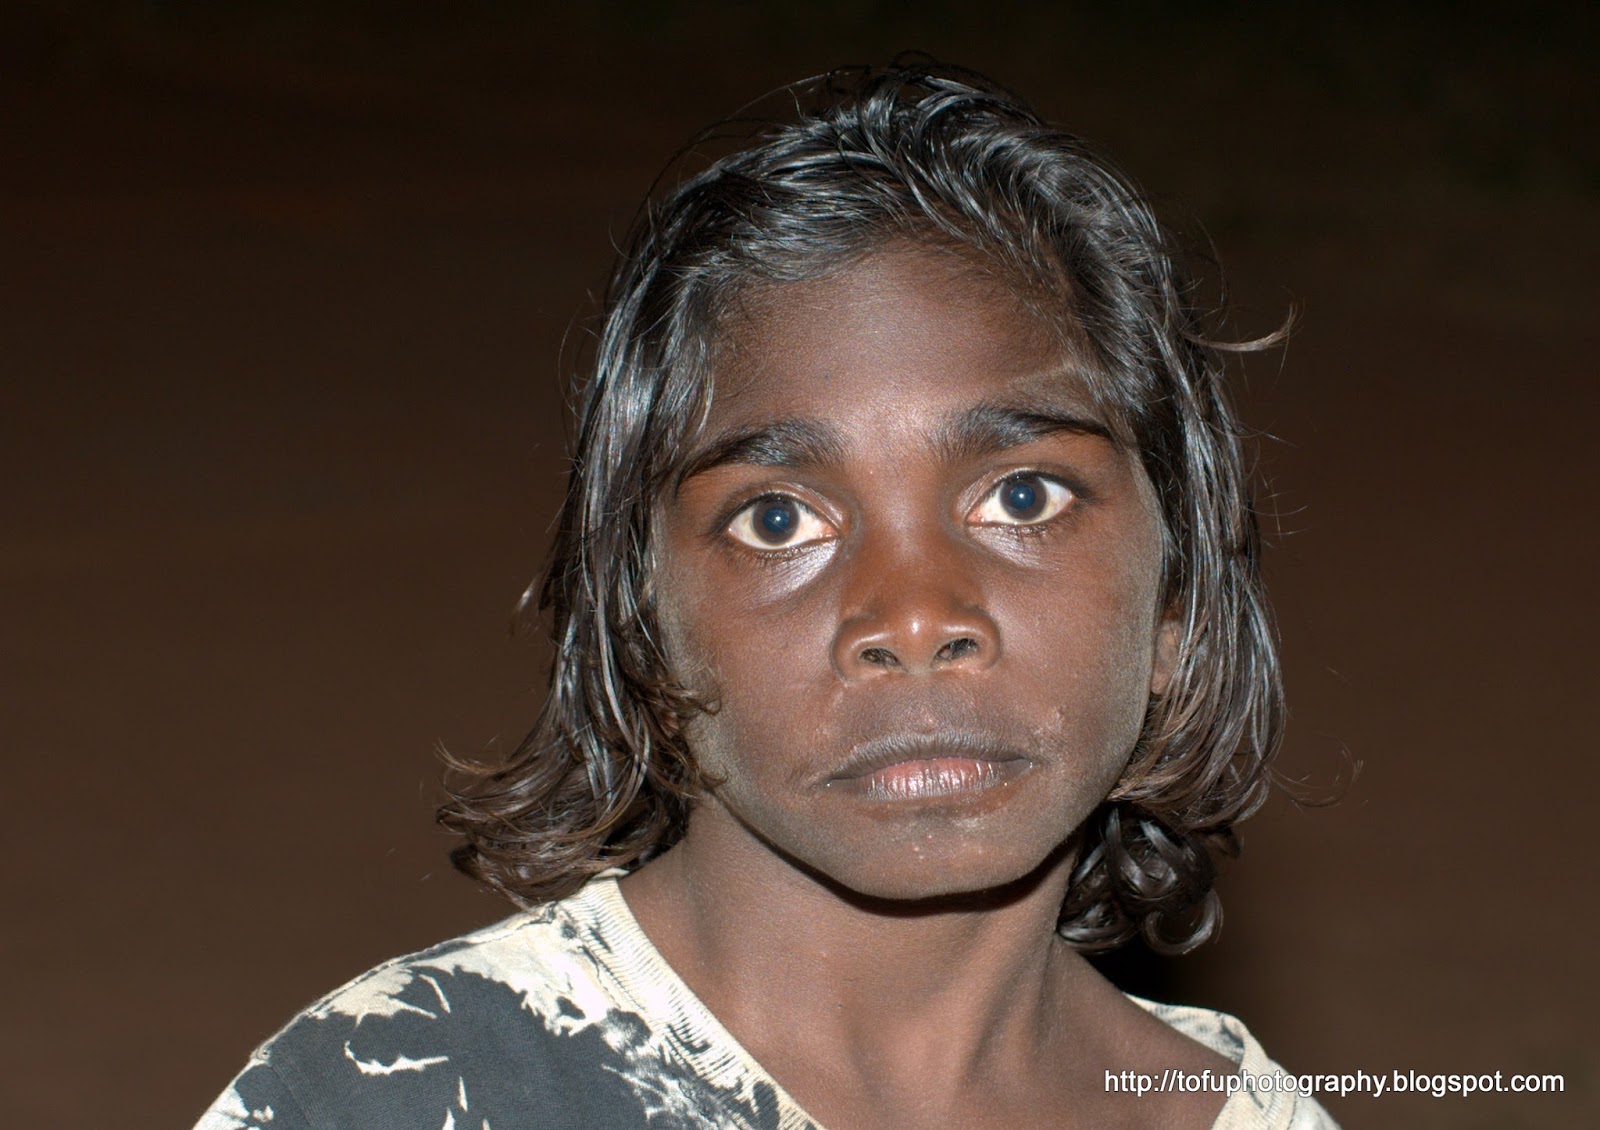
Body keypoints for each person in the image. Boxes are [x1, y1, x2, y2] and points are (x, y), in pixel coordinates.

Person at [197, 63, 1336, 1129]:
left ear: (1177, 603)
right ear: (639, 630)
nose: (914, 616)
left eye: (1022, 496)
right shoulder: (403, 1084)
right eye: (778, 518)